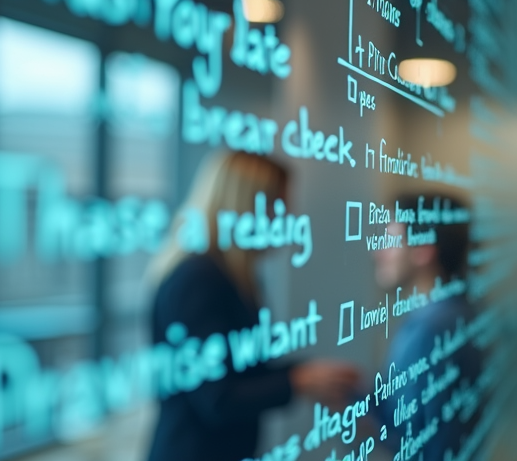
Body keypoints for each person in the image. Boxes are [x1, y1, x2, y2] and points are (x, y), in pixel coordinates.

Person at [146, 151, 359, 461]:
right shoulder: (197, 279)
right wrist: (296, 381)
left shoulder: (232, 275)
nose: (289, 218)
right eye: (279, 207)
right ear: (246, 207)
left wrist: (303, 374)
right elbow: (216, 398)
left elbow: (241, 371)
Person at [371, 193, 481, 461]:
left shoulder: (430, 329)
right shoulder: (459, 313)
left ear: (423, 250)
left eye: (391, 239)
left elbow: (417, 438)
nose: (378, 252)